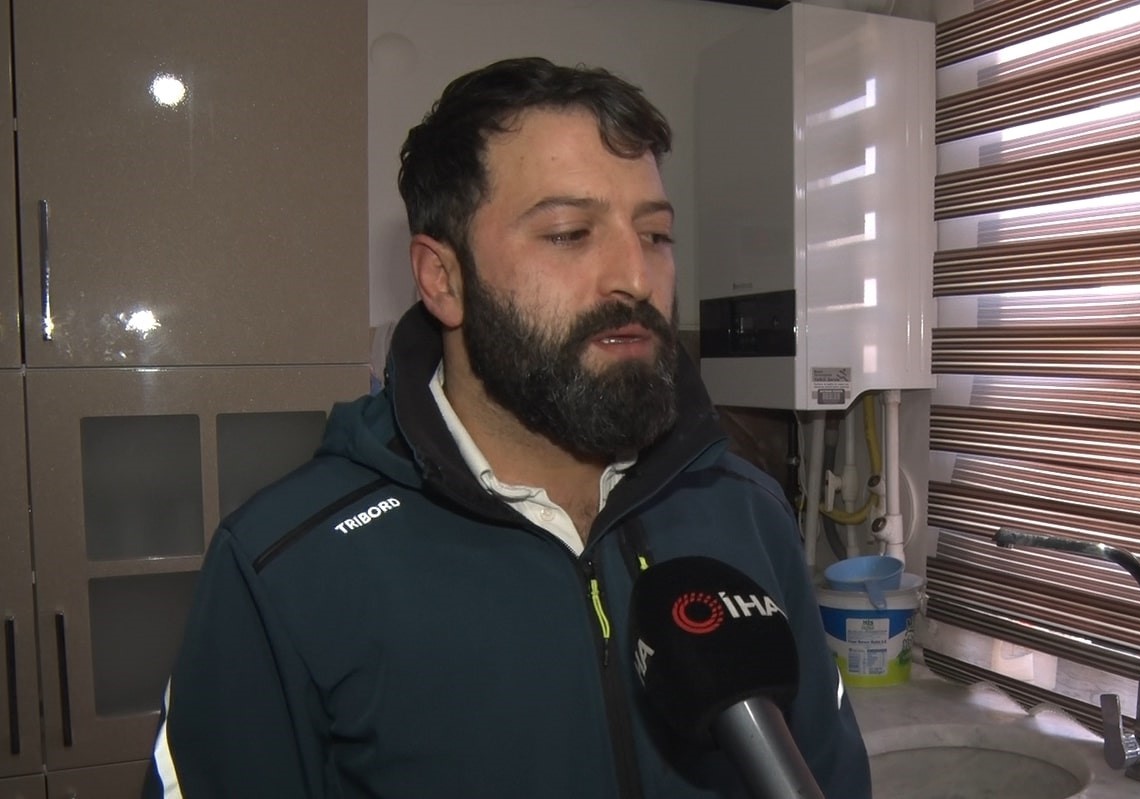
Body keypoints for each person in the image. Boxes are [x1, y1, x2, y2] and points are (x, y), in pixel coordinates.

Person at [142, 56, 872, 798]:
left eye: (655, 235)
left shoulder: (748, 514)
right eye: (569, 232)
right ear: (443, 278)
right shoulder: (286, 565)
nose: (634, 276)